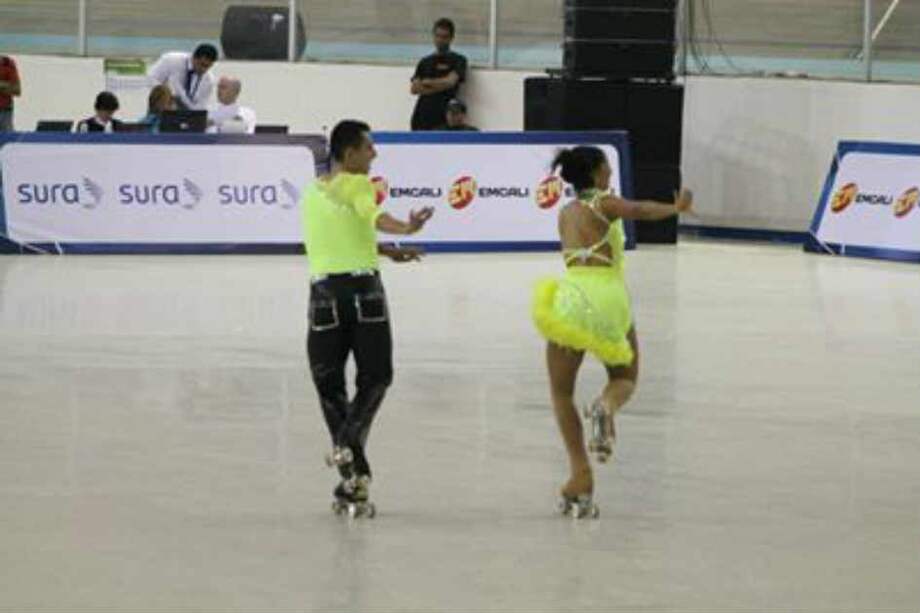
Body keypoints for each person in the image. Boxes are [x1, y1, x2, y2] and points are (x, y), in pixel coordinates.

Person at [531, 146, 694, 518]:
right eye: (606, 169)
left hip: (571, 296)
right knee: (625, 377)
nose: (610, 174)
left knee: (560, 391)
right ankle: (605, 406)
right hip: (608, 296)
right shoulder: (603, 203)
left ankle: (580, 472)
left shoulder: (566, 212)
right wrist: (674, 209)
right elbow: (637, 210)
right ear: (594, 172)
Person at [302, 119, 433, 517]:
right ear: (349, 153)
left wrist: (390, 252)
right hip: (363, 294)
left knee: (330, 385)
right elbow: (372, 215)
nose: (374, 154)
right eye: (368, 147)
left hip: (323, 295)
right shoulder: (358, 185)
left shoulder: (314, 190)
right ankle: (348, 440)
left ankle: (353, 480)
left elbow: (345, 232)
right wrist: (407, 228)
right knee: (376, 376)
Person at [409, 18, 467, 131]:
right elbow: (414, 89)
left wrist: (427, 82)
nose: (440, 40)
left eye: (444, 37)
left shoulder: (459, 60)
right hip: (421, 117)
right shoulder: (425, 62)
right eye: (438, 36)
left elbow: (450, 82)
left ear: (451, 38)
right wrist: (441, 84)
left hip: (445, 118)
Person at [147, 43, 218, 111]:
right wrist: (165, 94)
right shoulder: (171, 60)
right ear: (194, 58)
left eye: (208, 66)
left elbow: (201, 106)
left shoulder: (208, 80)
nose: (203, 70)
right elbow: (152, 77)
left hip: (188, 112)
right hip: (162, 106)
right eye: (202, 65)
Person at [0, 55, 22, 132]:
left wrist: (1, 85)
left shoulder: (7, 64)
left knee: (8, 138)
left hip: (4, 112)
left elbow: (17, 90)